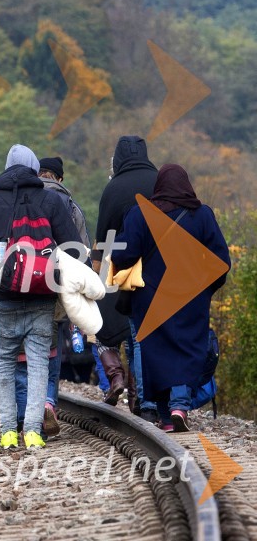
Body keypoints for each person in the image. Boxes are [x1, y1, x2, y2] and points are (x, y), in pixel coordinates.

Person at [0, 144, 81, 450]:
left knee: (4, 362)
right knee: (38, 363)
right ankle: (32, 431)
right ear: (34, 169)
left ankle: (8, 432)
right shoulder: (51, 200)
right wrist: (57, 282)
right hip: (41, 295)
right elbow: (73, 248)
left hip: (3, 297)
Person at [111, 164, 229, 432]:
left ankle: (166, 417)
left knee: (156, 353)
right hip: (191, 297)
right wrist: (206, 289)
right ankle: (179, 407)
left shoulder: (140, 214)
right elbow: (221, 261)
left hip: (150, 297)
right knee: (187, 349)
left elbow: (123, 255)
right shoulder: (202, 215)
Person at [14, 156, 92, 437]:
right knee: (52, 348)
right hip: (57, 286)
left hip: (23, 281)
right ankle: (48, 402)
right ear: (59, 178)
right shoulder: (69, 205)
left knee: (23, 351)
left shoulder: (22, 198)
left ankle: (25, 412)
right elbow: (81, 250)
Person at [92, 136, 159, 417]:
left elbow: (102, 238)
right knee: (150, 335)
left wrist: (96, 275)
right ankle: (147, 398)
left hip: (126, 270)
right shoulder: (159, 180)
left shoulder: (114, 187)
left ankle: (143, 400)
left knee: (134, 333)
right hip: (162, 269)